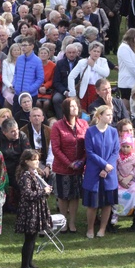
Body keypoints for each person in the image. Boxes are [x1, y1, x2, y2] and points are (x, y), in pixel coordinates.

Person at [50, 97, 87, 233]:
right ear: (65, 109)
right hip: (62, 168)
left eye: (76, 105)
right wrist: (69, 163)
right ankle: (63, 222)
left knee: (75, 196)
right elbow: (56, 148)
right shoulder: (57, 126)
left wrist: (81, 161)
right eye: (71, 106)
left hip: (78, 167)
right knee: (63, 197)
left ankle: (72, 222)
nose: (75, 108)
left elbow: (87, 146)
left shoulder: (83, 124)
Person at [83, 105, 119, 239]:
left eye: (111, 115)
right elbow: (90, 152)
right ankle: (90, 228)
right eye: (108, 115)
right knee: (93, 203)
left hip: (109, 173)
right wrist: (104, 165)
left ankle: (102, 228)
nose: (111, 117)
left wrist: (107, 168)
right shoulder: (90, 132)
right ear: (100, 116)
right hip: (94, 172)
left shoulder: (114, 131)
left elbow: (115, 151)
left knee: (107, 203)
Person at [15, 149, 52, 268]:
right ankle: (24, 266)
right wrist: (43, 192)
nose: (37, 162)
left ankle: (29, 263)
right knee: (29, 239)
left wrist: (45, 191)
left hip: (36, 209)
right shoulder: (26, 175)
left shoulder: (35, 174)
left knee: (33, 238)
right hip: (29, 211)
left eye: (37, 159)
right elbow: (28, 194)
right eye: (34, 160)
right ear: (27, 161)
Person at [115, 135, 135, 231]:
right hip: (119, 181)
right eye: (123, 146)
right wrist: (120, 178)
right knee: (116, 193)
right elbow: (115, 168)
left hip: (131, 181)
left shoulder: (134, 158)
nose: (125, 149)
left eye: (127, 147)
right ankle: (115, 213)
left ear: (131, 147)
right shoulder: (117, 157)